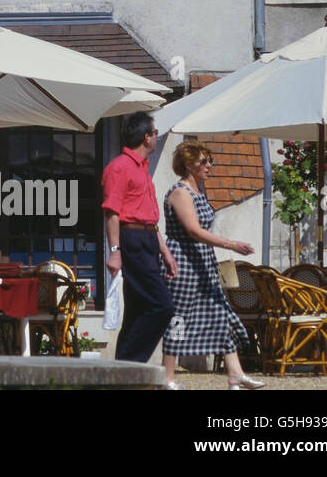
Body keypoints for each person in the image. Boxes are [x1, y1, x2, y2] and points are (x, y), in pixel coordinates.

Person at [162, 142, 263, 390]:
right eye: (204, 161)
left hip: (203, 261)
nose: (209, 166)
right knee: (178, 319)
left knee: (220, 313)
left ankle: (235, 374)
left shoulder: (199, 191)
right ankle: (167, 378)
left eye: (211, 161)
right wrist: (231, 245)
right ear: (188, 164)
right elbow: (194, 231)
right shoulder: (180, 192)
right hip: (184, 262)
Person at [102, 112, 177, 364]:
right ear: (147, 137)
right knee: (162, 305)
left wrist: (165, 252)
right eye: (155, 133)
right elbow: (112, 212)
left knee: (137, 309)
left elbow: (150, 219)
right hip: (131, 238)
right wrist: (115, 250)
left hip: (147, 238)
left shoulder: (142, 170)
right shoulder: (119, 167)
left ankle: (123, 370)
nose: (157, 137)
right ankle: (133, 363)